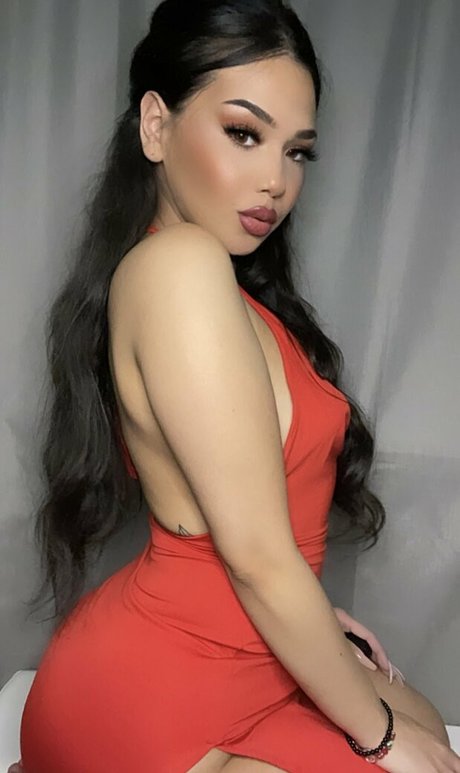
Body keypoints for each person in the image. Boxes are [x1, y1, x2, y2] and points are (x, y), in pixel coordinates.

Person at [10, 1, 460, 771]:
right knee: (417, 749)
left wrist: (314, 621)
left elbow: (253, 530)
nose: (276, 181)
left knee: (431, 732)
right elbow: (253, 553)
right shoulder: (178, 268)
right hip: (158, 690)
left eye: (297, 152)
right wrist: (381, 737)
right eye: (244, 133)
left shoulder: (225, 290)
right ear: (156, 127)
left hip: (244, 644)